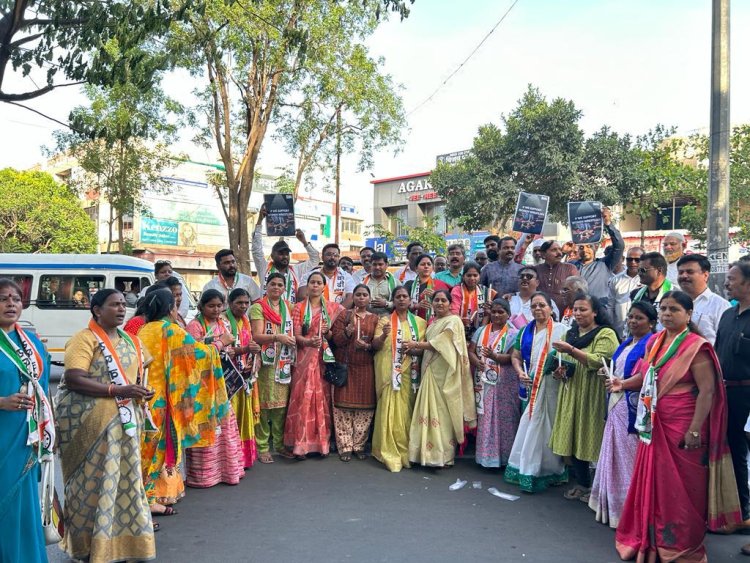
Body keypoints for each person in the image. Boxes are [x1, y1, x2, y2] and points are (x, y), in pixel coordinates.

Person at [613, 291, 742, 561]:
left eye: (674, 310)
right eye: (663, 309)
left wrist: (695, 429)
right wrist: (622, 384)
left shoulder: (696, 346)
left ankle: (680, 542)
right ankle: (652, 538)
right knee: (656, 483)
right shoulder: (656, 341)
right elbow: (646, 376)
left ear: (688, 314)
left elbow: (707, 392)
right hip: (655, 422)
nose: (667, 314)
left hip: (684, 425)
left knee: (683, 488)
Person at [56, 289, 156, 561]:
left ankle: (124, 546)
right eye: (114, 305)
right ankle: (89, 548)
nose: (122, 309)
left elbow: (138, 376)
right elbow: (74, 378)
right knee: (92, 487)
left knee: (126, 483)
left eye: (124, 304)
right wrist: (117, 390)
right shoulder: (83, 339)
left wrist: (142, 392)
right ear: (97, 310)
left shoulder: (132, 341)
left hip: (124, 427)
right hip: (90, 427)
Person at [588, 302, 657, 528]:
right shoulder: (627, 342)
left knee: (629, 458)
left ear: (651, 323)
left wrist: (622, 383)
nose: (633, 321)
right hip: (616, 404)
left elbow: (646, 376)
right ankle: (612, 507)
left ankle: (629, 511)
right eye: (630, 317)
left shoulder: (652, 344)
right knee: (613, 453)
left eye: (639, 318)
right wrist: (607, 373)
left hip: (632, 407)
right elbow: (618, 370)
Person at [0, 279, 53, 563]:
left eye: (16, 299)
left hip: (28, 438)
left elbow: (44, 391)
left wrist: (49, 433)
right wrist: (1, 402)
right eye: (3, 298)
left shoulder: (31, 342)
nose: (11, 304)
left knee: (25, 505)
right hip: (1, 435)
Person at [138, 288, 203, 513]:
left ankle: (147, 496)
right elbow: (199, 356)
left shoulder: (144, 329)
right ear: (169, 309)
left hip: (141, 397)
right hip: (162, 402)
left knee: (143, 450)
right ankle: (147, 501)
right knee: (156, 451)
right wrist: (220, 345)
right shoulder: (173, 331)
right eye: (175, 306)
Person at [549, 294, 619, 501]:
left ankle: (599, 486)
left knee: (592, 437)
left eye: (583, 309)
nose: (578, 314)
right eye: (575, 310)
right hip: (571, 391)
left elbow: (600, 361)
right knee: (573, 437)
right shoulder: (570, 334)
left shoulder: (605, 334)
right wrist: (557, 371)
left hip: (593, 394)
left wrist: (571, 350)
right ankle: (582, 483)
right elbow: (558, 360)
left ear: (595, 312)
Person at [505, 292, 569, 492]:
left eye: (542, 305)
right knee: (531, 424)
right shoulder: (525, 331)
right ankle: (528, 468)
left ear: (551, 309)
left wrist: (561, 371)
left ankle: (549, 469)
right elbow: (515, 356)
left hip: (552, 386)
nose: (538, 309)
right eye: (534, 306)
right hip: (530, 383)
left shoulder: (562, 330)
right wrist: (520, 372)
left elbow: (569, 360)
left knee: (548, 426)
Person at [407, 289, 476, 467]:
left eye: (443, 300)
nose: (439, 303)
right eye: (436, 300)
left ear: (450, 303)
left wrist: (416, 344)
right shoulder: (433, 322)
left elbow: (441, 343)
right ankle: (423, 453)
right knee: (426, 410)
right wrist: (412, 349)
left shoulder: (453, 321)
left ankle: (443, 455)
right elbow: (427, 348)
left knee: (443, 413)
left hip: (445, 373)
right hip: (429, 369)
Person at [186, 289, 245, 487]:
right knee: (207, 423)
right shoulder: (194, 327)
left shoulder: (224, 323)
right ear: (201, 306)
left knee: (225, 423)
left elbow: (231, 349)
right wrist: (220, 343)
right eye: (211, 306)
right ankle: (205, 474)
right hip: (202, 382)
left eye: (219, 306)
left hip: (221, 379)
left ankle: (228, 471)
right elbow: (194, 354)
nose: (216, 309)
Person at [285, 271, 345, 458]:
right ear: (307, 285)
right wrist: (308, 342)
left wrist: (327, 333)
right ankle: (300, 443)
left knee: (321, 398)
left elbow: (333, 334)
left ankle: (321, 444)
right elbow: (295, 335)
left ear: (324, 286)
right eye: (312, 282)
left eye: (319, 283)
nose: (315, 286)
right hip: (304, 357)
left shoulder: (332, 308)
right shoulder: (299, 308)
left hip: (322, 358)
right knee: (303, 396)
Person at [371, 285, 427, 472]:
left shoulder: (420, 323)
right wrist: (385, 335)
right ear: (393, 301)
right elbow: (376, 346)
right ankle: (387, 450)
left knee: (406, 410)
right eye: (398, 297)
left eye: (405, 296)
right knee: (388, 409)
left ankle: (407, 451)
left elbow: (424, 349)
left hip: (409, 374)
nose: (402, 299)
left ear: (410, 300)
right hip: (389, 373)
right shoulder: (384, 321)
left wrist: (412, 348)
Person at [716, 261, 750, 541]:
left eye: (732, 279)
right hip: (727, 394)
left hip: (748, 394)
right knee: (734, 452)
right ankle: (743, 515)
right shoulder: (727, 315)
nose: (727, 283)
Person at [249, 273, 296, 463]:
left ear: (284, 288)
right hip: (266, 361)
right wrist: (278, 337)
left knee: (281, 405)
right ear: (266, 286)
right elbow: (257, 336)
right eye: (273, 284)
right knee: (265, 404)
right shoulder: (257, 307)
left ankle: (279, 444)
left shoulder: (289, 307)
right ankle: (262, 446)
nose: (276, 287)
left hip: (284, 359)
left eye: (280, 285)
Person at [468, 298, 520, 468]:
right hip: (484, 380)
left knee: (505, 418)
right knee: (486, 417)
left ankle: (505, 458)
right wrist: (478, 362)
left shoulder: (514, 333)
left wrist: (495, 357)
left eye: (501, 312)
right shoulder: (482, 331)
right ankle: (486, 458)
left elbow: (514, 356)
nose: (496, 315)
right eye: (494, 311)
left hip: (505, 381)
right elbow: (471, 351)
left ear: (508, 314)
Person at [331, 284, 378, 461]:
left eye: (364, 295)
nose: (360, 298)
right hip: (346, 366)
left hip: (366, 368)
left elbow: (378, 344)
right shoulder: (345, 315)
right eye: (358, 294)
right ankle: (345, 447)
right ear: (353, 298)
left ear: (369, 298)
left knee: (364, 411)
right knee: (342, 408)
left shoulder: (375, 318)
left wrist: (367, 346)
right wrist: (346, 332)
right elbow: (336, 340)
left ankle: (359, 446)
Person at [225, 288, 263, 468]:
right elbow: (227, 351)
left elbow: (251, 344)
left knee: (243, 415)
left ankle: (243, 458)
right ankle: (232, 459)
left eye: (246, 303)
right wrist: (246, 350)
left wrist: (253, 357)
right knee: (231, 418)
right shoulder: (224, 321)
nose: (243, 306)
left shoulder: (246, 320)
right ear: (230, 303)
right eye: (239, 303)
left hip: (245, 375)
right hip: (229, 378)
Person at [253, 205, 320, 304]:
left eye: (286, 254)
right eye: (280, 253)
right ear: (272, 256)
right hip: (267, 314)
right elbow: (256, 250)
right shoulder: (264, 267)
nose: (284, 256)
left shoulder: (296, 270)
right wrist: (259, 221)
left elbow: (315, 260)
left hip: (290, 315)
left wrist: (304, 242)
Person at [677, 254, 731, 345]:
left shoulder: (720, 305)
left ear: (705, 275)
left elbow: (726, 342)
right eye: (680, 272)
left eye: (690, 272)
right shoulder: (672, 302)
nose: (684, 276)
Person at [575, 208, 624, 307]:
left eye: (589, 246)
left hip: (600, 312)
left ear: (596, 248)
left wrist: (608, 224)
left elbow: (619, 246)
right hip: (578, 313)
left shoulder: (605, 264)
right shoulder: (572, 266)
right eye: (581, 247)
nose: (585, 250)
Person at [450, 261, 497, 340]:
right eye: (469, 275)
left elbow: (491, 312)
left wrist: (489, 308)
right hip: (459, 329)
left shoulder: (486, 291)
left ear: (479, 276)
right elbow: (454, 311)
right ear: (463, 276)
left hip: (480, 329)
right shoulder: (457, 290)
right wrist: (461, 321)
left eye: (475, 275)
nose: (472, 278)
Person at [607, 247, 644, 339]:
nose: (633, 262)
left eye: (637, 260)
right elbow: (610, 305)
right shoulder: (615, 280)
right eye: (629, 259)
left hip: (640, 331)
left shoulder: (646, 280)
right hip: (618, 331)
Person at [535, 241, 579, 313]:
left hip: (565, 315)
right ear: (543, 254)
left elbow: (578, 292)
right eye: (554, 250)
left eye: (560, 249)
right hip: (541, 313)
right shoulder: (536, 269)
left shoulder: (570, 268)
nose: (559, 253)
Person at [404, 254, 451, 321]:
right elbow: (401, 306)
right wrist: (416, 306)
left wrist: (436, 297)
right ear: (416, 268)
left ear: (432, 268)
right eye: (423, 264)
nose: (426, 266)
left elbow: (448, 307)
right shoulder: (409, 285)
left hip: (435, 323)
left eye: (429, 264)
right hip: (412, 323)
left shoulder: (440, 285)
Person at [629, 252, 672, 316]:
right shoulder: (635, 294)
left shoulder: (674, 294)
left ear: (659, 270)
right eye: (638, 270)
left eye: (643, 270)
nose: (639, 274)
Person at [363, 251, 400, 316]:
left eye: (380, 264)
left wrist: (386, 304)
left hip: (389, 320)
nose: (377, 267)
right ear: (371, 265)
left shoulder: (395, 283)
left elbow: (402, 302)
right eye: (374, 264)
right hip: (367, 319)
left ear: (386, 265)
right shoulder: (363, 282)